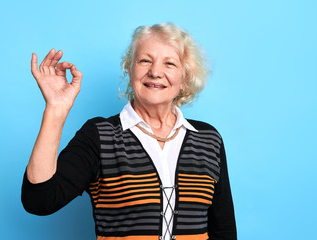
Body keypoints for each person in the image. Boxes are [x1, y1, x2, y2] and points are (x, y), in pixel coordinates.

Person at [22, 23, 237, 240]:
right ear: (129, 69)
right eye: (145, 60)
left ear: (184, 79)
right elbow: (40, 201)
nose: (155, 72)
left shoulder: (208, 139)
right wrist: (55, 109)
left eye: (169, 63)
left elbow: (224, 230)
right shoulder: (99, 136)